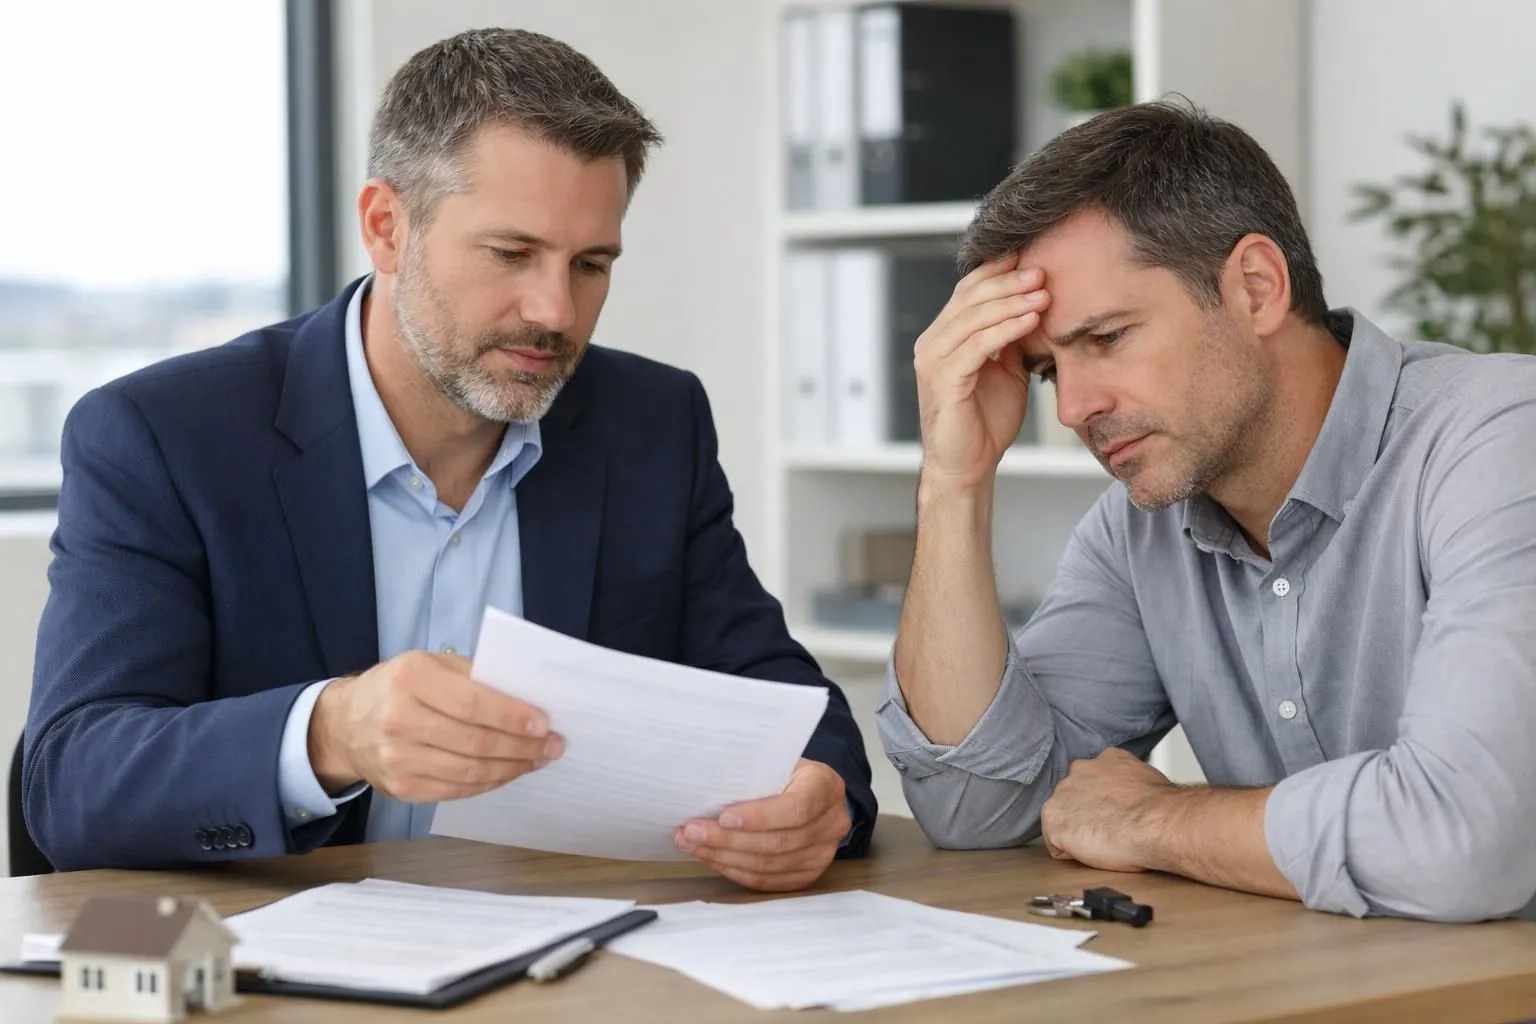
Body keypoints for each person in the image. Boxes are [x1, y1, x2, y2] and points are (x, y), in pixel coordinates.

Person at [25, 27, 875, 893]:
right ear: (386, 227)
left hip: (570, 949)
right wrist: (331, 733)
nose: (555, 310)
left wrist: (820, 793)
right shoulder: (162, 435)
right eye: (512, 254)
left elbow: (780, 696)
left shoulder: (652, 424)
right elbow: (74, 781)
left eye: (591, 264)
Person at [880, 98, 1536, 923]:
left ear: (1256, 287)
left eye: (1108, 338)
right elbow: (977, 810)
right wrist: (954, 479)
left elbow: (1465, 843)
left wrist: (1155, 820)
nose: (1075, 408)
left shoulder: (1502, 441)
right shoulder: (1138, 528)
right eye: (1048, 371)